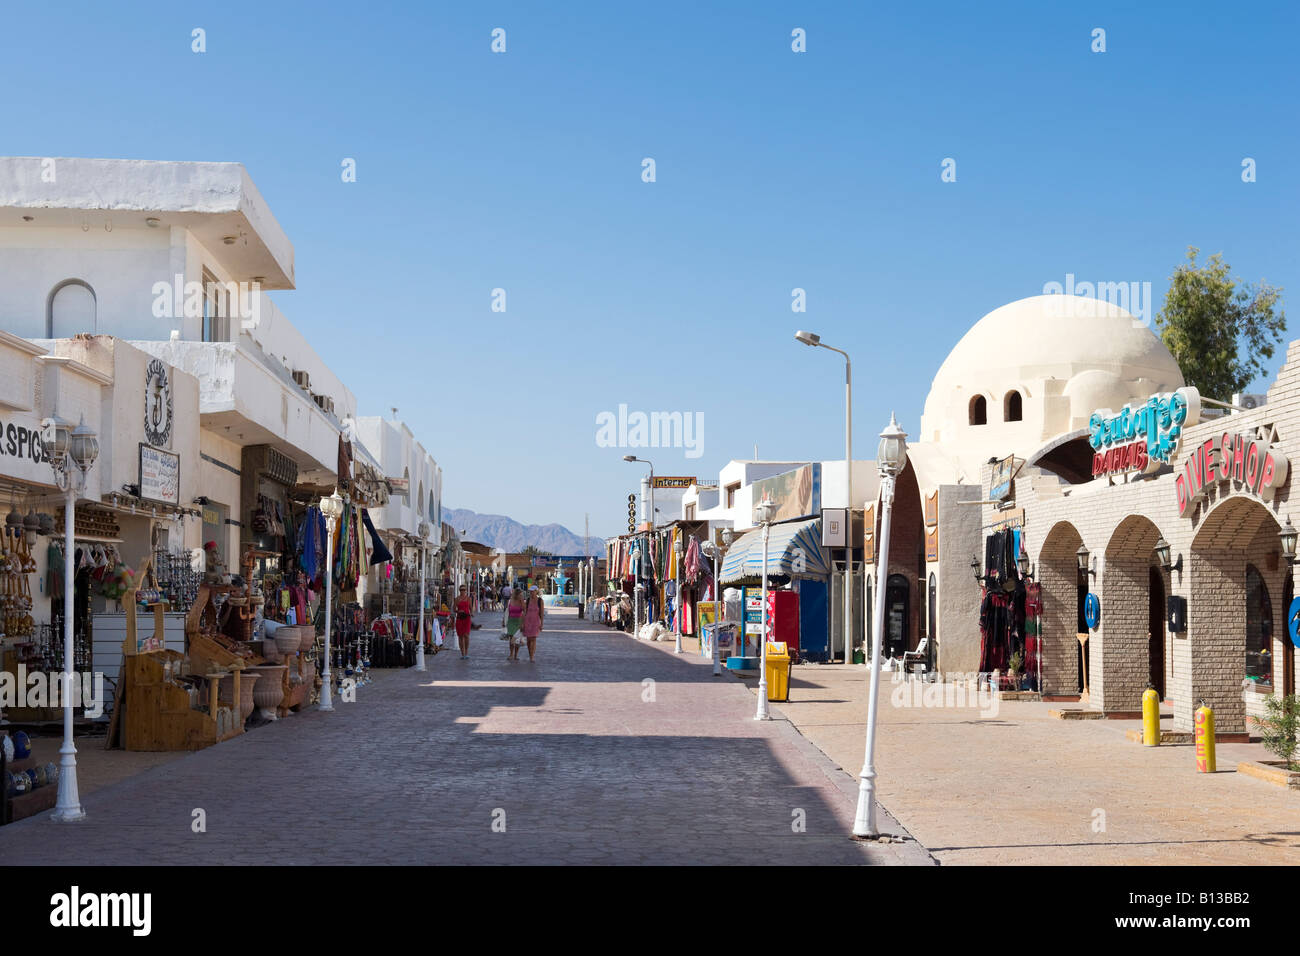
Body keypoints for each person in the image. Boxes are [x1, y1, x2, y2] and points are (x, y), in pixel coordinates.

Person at [522, 584, 544, 662]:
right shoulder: (527, 600)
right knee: (528, 639)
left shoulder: (540, 601)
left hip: (536, 621)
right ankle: (530, 653)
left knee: (533, 638)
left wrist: (542, 624)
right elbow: (524, 612)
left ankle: (532, 657)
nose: (531, 593)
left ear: (536, 591)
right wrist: (522, 623)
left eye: (532, 592)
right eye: (530, 592)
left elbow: (541, 613)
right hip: (527, 621)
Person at [504, 587, 525, 661]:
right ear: (516, 594)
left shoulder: (522, 601)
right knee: (511, 639)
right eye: (520, 595)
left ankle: (516, 655)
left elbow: (524, 611)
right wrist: (503, 621)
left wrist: (522, 601)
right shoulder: (510, 601)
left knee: (517, 639)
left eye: (521, 595)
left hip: (518, 621)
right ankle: (511, 654)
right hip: (510, 621)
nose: (521, 596)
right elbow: (506, 612)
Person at [455, 586, 473, 659]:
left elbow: (471, 609)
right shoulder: (456, 599)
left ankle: (466, 652)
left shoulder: (469, 599)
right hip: (459, 618)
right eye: (461, 590)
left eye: (464, 590)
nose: (462, 591)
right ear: (459, 590)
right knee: (460, 636)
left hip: (467, 618)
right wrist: (458, 611)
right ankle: (462, 654)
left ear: (466, 591)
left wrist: (471, 613)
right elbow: (454, 609)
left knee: (466, 635)